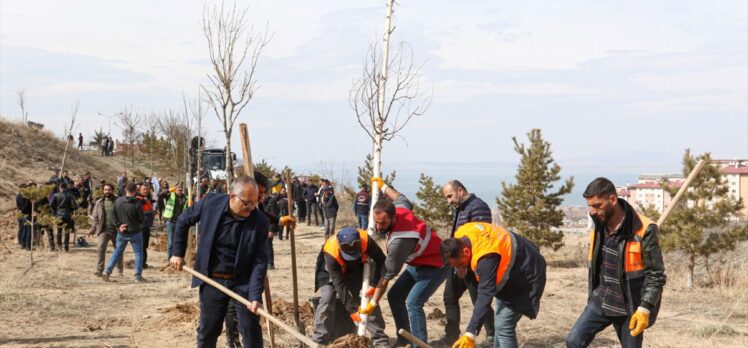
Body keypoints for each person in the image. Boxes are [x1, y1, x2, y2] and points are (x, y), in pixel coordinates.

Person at [170, 176, 270, 348]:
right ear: (232, 197)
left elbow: (260, 261)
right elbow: (183, 221)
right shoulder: (210, 203)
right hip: (212, 279)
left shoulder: (260, 221)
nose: (251, 207)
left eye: (255, 202)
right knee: (208, 330)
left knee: (250, 329)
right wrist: (177, 254)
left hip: (242, 282)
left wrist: (254, 296)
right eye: (247, 203)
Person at [566, 178, 666, 348]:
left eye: (597, 205)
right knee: (573, 341)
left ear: (612, 200)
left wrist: (645, 308)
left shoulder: (645, 229)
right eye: (590, 206)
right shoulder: (598, 224)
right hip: (601, 299)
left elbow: (656, 275)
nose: (592, 211)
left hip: (630, 306)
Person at [359, 177, 448, 347]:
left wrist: (373, 303)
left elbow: (387, 275)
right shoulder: (399, 208)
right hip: (418, 262)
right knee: (395, 296)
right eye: (376, 223)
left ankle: (419, 344)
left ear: (393, 217)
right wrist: (382, 186)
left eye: (383, 223)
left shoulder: (400, 240)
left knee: (414, 303)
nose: (378, 227)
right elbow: (402, 198)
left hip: (436, 264)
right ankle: (405, 339)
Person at [441, 222, 547, 348]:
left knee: (504, 326)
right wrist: (459, 266)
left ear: (465, 251)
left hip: (527, 275)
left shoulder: (486, 257)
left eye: (459, 264)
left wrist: (470, 333)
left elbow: (485, 294)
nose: (459, 268)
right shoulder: (462, 232)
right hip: (514, 265)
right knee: (499, 324)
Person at [440, 180, 495, 345]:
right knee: (449, 297)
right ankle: (452, 336)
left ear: (460, 190)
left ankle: (492, 335)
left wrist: (463, 265)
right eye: (447, 198)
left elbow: (482, 236)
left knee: (479, 299)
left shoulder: (479, 207)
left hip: (471, 263)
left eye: (450, 196)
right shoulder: (459, 208)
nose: (449, 201)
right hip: (458, 261)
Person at [315, 227, 389, 347]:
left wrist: (374, 285)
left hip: (355, 268)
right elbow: (339, 283)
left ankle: (380, 340)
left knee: (366, 298)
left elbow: (382, 261)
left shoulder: (366, 239)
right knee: (327, 299)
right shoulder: (330, 251)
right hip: (330, 273)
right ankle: (320, 340)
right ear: (339, 246)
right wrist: (352, 309)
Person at [103, 182, 145, 282]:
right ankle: (137, 276)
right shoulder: (137, 203)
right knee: (138, 253)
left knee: (117, 252)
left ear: (126, 189)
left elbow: (112, 215)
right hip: (135, 232)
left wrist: (119, 225)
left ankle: (107, 271)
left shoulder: (118, 201)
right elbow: (142, 219)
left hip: (122, 232)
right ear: (135, 191)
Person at [88, 183, 123, 277]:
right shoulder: (99, 202)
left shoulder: (119, 201)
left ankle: (120, 270)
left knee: (118, 250)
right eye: (105, 190)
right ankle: (99, 270)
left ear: (113, 190)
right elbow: (95, 218)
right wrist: (92, 230)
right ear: (103, 191)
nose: (107, 192)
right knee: (100, 249)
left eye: (109, 190)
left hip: (117, 231)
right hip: (103, 230)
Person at [160, 183, 187, 261]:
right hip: (171, 221)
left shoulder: (185, 198)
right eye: (178, 187)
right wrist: (168, 190)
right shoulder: (170, 195)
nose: (180, 189)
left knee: (178, 241)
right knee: (170, 242)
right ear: (175, 188)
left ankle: (177, 258)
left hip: (180, 223)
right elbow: (160, 194)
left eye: (181, 187)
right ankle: (169, 259)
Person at [51, 182, 78, 252]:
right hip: (67, 214)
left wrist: (56, 210)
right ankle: (66, 247)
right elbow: (75, 206)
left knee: (59, 231)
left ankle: (59, 246)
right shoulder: (70, 195)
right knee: (67, 231)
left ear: (60, 187)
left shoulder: (56, 195)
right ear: (66, 188)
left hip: (58, 214)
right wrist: (71, 210)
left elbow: (51, 204)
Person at [137, 182, 155, 269]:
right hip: (141, 226)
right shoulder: (139, 199)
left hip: (147, 226)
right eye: (144, 189)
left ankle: (143, 263)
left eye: (147, 189)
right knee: (142, 246)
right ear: (139, 190)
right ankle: (141, 263)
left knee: (145, 246)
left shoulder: (147, 199)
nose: (145, 190)